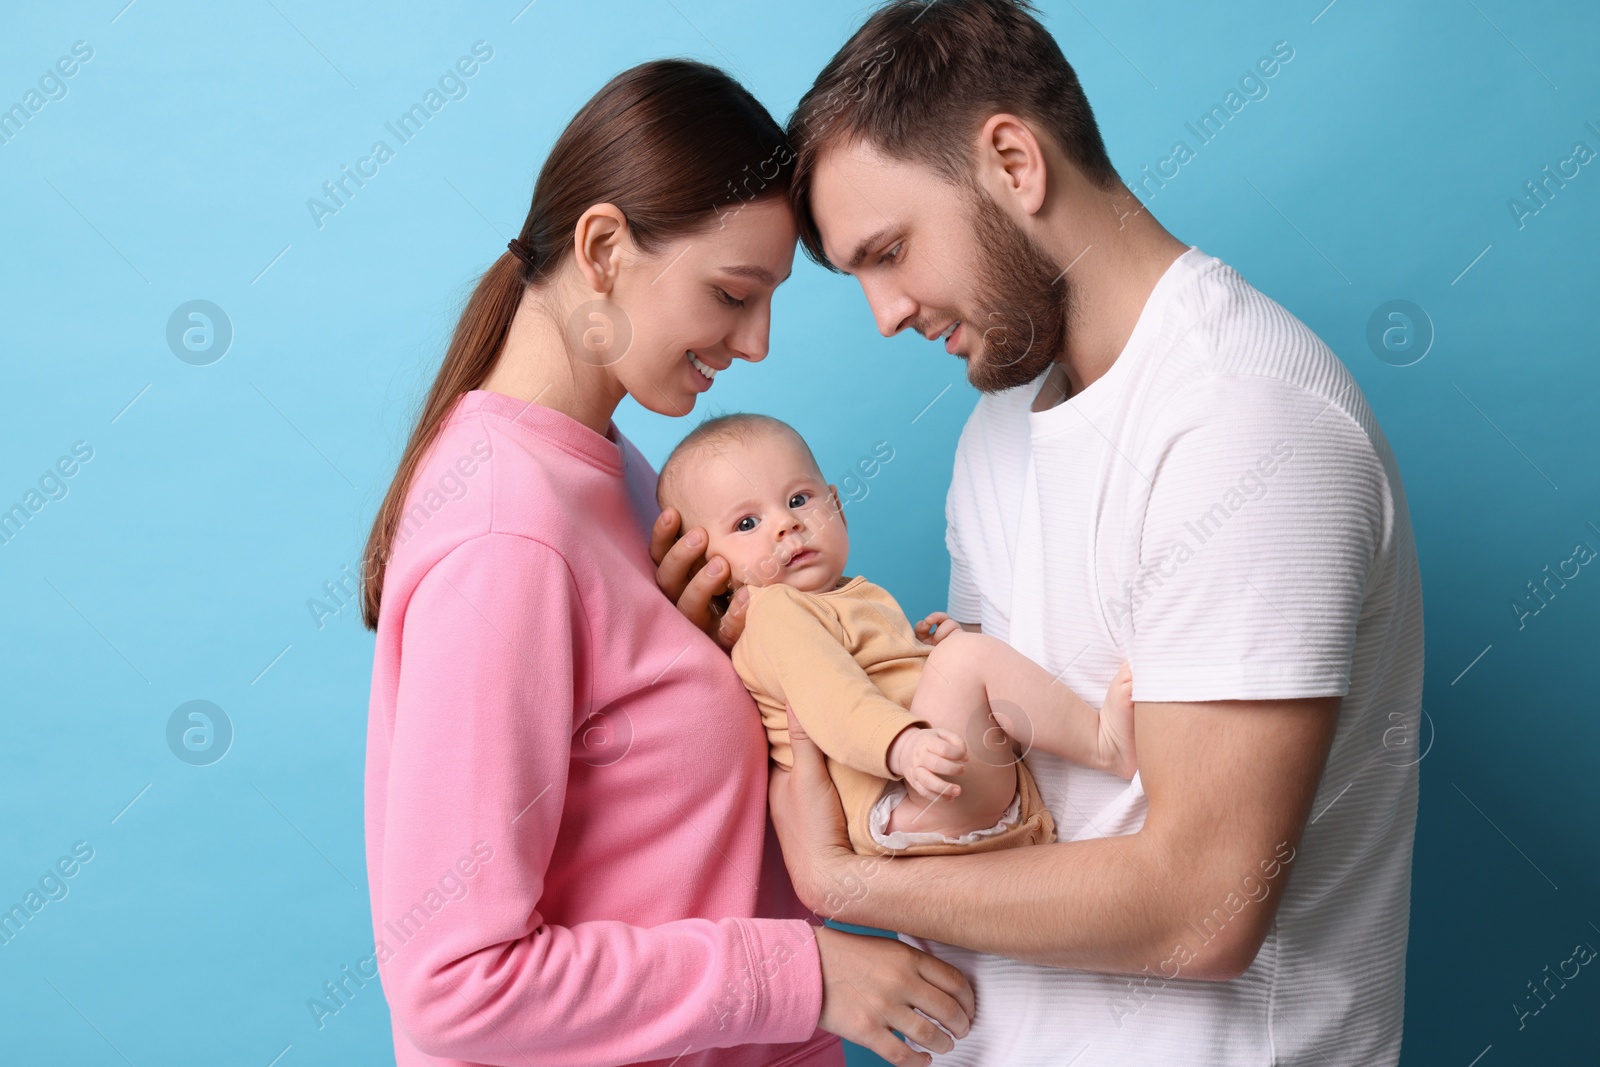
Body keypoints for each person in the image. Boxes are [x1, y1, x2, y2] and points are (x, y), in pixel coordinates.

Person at [655, 2, 1424, 1065]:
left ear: (1013, 160)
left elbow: (1198, 908)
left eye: (889, 251)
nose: (883, 312)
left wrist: (848, 884)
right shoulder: (998, 430)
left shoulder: (1246, 422)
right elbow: (989, 784)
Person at [360, 58, 976, 1067]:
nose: (758, 341)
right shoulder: (504, 531)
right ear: (603, 247)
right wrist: (807, 973)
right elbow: (454, 984)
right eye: (734, 293)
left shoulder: (626, 477)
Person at [654, 411, 1136, 858]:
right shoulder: (772, 611)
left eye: (799, 499)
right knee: (966, 661)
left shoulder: (843, 597)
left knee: (959, 660)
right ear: (707, 568)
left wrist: (926, 656)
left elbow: (879, 676)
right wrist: (902, 744)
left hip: (923, 785)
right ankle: (1104, 744)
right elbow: (831, 701)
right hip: (898, 793)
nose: (786, 524)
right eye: (747, 523)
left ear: (837, 507)